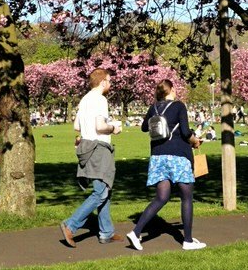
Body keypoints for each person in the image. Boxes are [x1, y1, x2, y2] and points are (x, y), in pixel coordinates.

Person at [126, 81, 205, 251]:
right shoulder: (179, 106)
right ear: (172, 90)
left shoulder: (154, 107)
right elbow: (185, 132)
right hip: (178, 156)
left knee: (161, 197)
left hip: (158, 157)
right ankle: (188, 240)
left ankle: (136, 231)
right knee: (186, 196)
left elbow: (144, 128)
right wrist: (195, 140)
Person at [61, 68, 117, 247]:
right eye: (109, 80)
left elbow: (77, 125)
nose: (110, 84)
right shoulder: (100, 99)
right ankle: (71, 225)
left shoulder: (85, 99)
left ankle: (106, 232)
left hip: (87, 146)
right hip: (98, 147)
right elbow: (101, 127)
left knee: (105, 189)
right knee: (100, 192)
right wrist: (114, 127)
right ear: (102, 82)